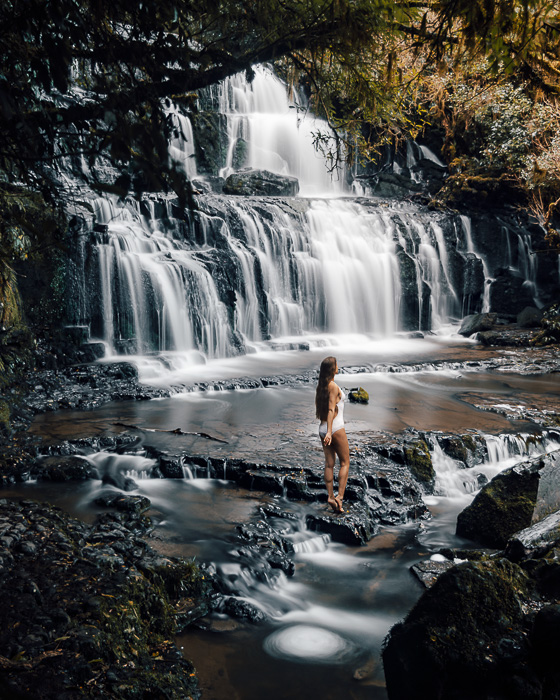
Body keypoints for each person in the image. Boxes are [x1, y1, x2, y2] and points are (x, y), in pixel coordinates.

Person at [315, 356, 350, 514]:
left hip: (322, 427)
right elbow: (331, 409)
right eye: (336, 364)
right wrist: (330, 431)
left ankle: (330, 496)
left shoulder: (321, 386)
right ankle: (339, 498)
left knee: (329, 464)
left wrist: (325, 431)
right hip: (334, 428)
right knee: (345, 463)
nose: (338, 366)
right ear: (332, 369)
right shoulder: (333, 386)